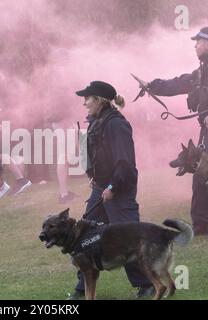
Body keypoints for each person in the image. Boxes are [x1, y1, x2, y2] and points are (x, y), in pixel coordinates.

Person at [145, 26, 208, 238]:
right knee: (200, 176)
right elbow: (179, 83)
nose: (195, 45)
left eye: (198, 42)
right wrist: (152, 86)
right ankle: (200, 227)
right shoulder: (204, 70)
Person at [68, 81, 154, 299]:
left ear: (99, 100)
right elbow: (101, 157)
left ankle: (147, 285)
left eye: (87, 98)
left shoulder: (116, 124)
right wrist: (96, 179)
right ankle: (82, 288)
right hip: (101, 187)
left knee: (127, 238)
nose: (84, 103)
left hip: (119, 189)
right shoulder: (98, 121)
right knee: (85, 235)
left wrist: (112, 187)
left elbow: (125, 162)